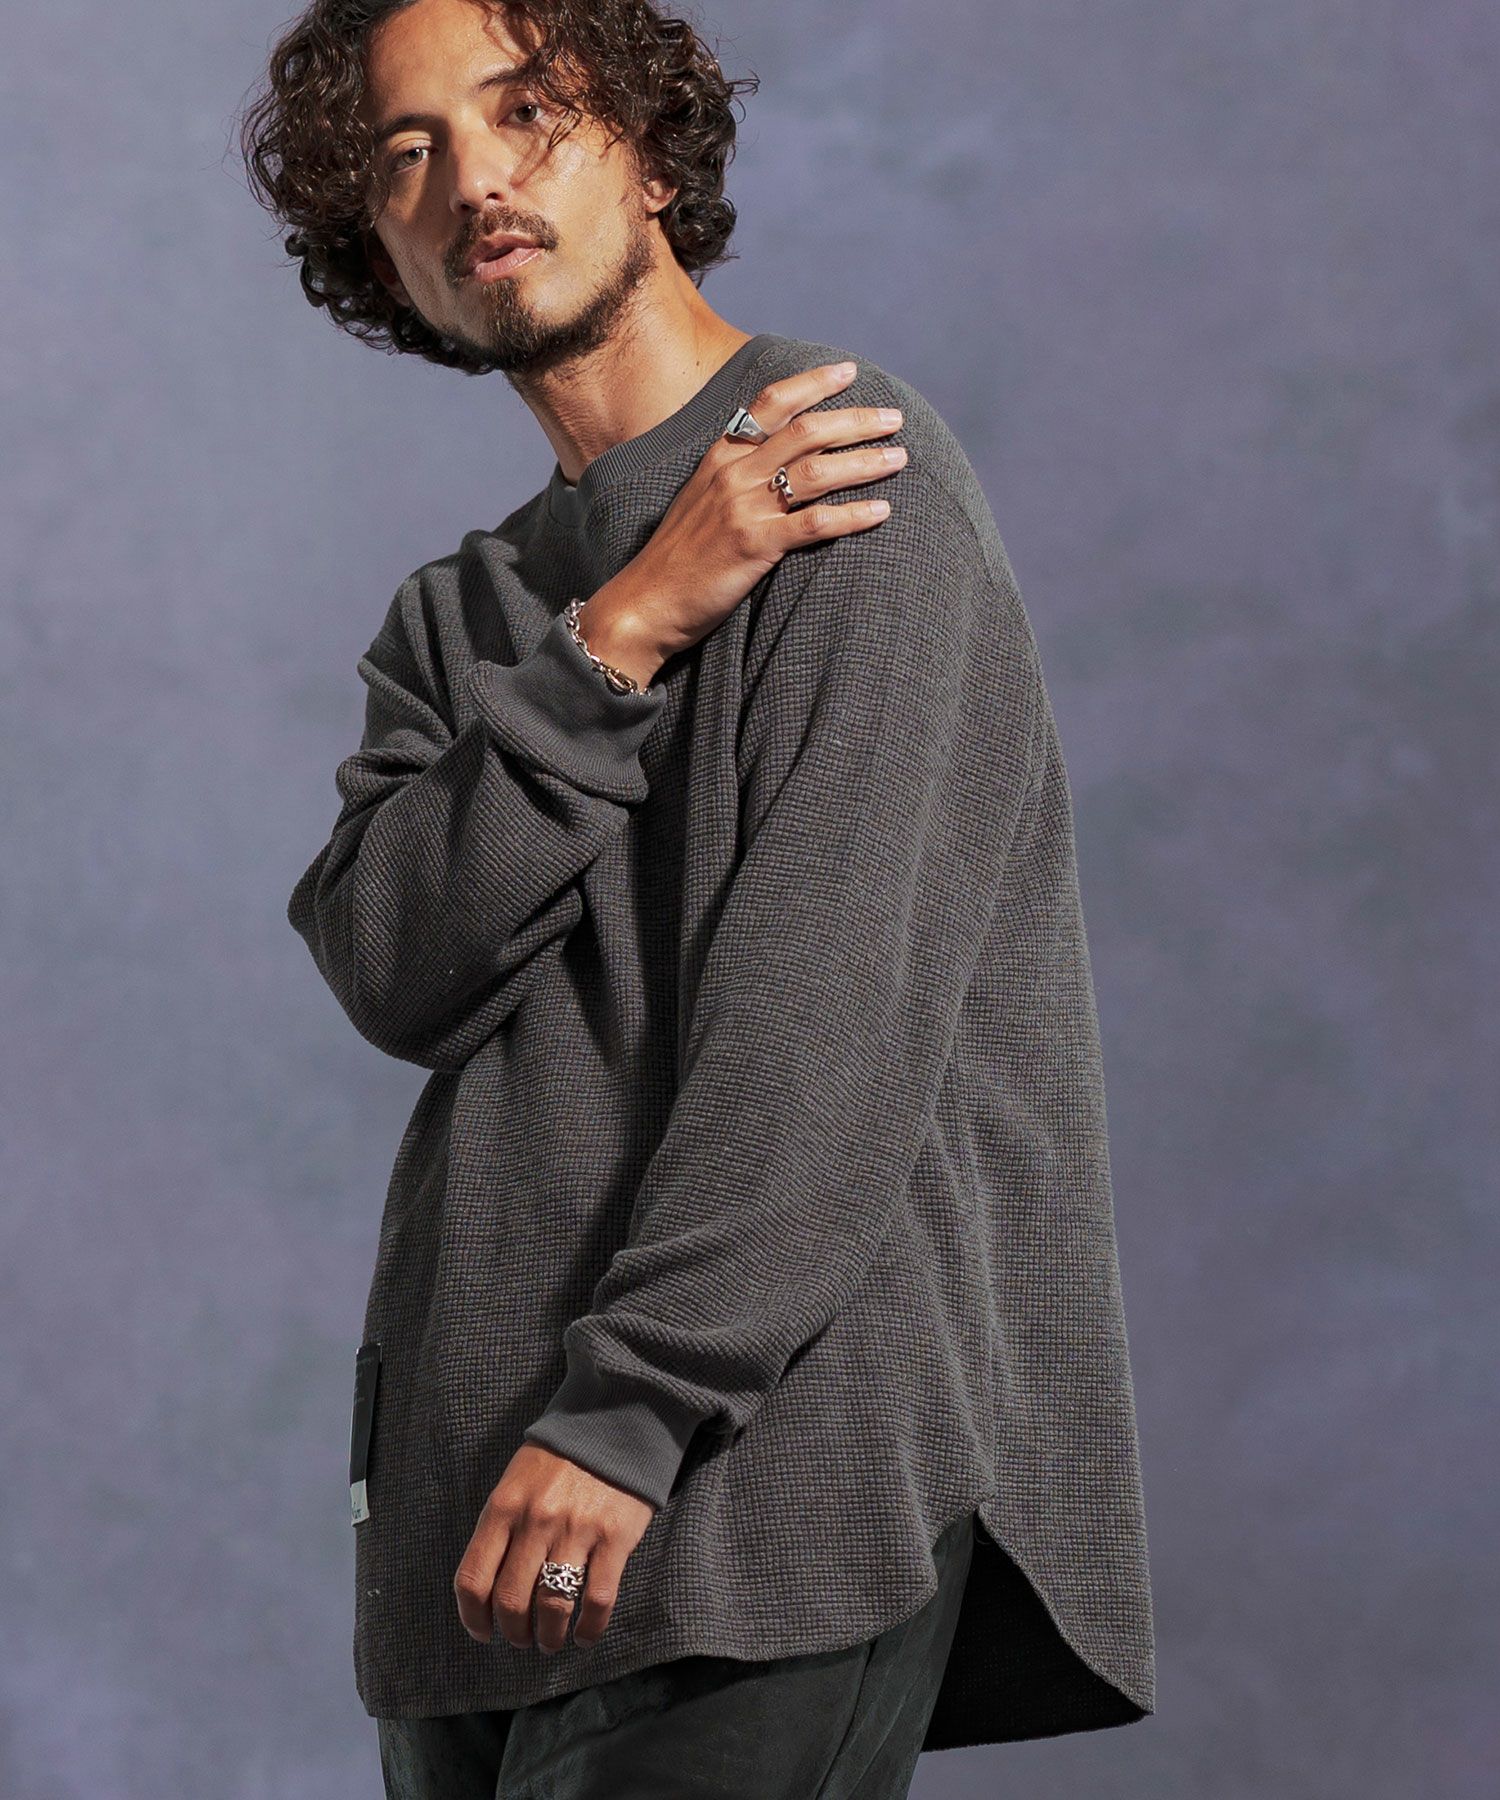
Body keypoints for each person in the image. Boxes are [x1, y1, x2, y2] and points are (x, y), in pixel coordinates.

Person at [240, 0, 1157, 1792]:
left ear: (652, 154)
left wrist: (635, 1407)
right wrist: (627, 630)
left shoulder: (844, 466)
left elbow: (832, 1014)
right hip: (462, 1527)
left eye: (526, 110)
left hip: (732, 1480)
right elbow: (394, 965)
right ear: (379, 252)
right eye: (408, 151)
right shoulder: (457, 615)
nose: (472, 178)